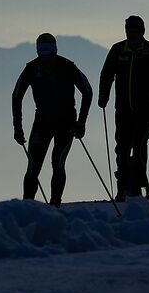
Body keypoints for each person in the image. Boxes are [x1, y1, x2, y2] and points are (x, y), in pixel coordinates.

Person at [12, 33, 92, 207]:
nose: (46, 55)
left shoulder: (67, 66)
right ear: (37, 51)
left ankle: (55, 205)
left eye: (49, 50)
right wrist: (17, 128)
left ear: (56, 50)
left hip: (66, 124)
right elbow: (16, 96)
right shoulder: (32, 68)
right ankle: (27, 207)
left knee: (58, 163)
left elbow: (87, 91)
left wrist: (81, 122)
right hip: (42, 123)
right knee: (33, 166)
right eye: (42, 50)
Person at [99, 15, 149, 201]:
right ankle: (122, 188)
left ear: (142, 31)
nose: (132, 33)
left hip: (146, 110)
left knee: (139, 146)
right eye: (129, 30)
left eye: (135, 30)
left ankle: (137, 188)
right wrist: (103, 97)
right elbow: (106, 74)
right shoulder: (117, 50)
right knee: (122, 148)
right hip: (122, 109)